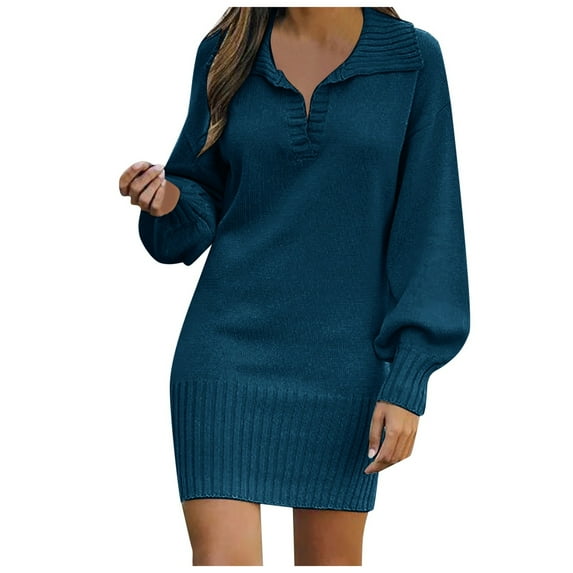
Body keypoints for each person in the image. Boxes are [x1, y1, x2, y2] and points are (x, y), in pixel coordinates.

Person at [118, 6, 470, 566]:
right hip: (225, 355)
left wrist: (408, 380)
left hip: (346, 365)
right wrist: (168, 201)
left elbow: (432, 227)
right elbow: (197, 199)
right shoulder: (226, 52)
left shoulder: (412, 59)